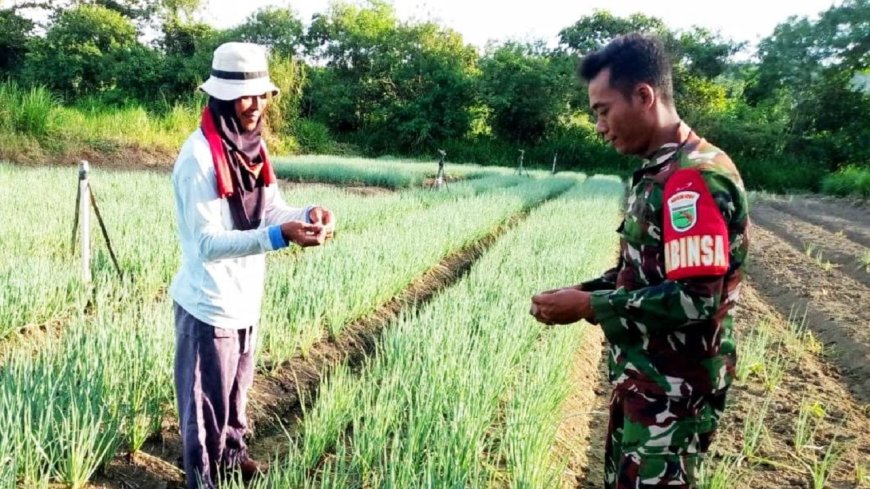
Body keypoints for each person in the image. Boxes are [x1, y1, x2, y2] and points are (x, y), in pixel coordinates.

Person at [530, 33, 749, 488]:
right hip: (647, 380)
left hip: (674, 393)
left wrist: (591, 307)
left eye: (603, 111)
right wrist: (587, 291)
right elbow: (649, 271)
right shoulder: (661, 173)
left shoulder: (694, 180)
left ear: (644, 96)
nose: (599, 126)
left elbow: (695, 298)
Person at [169, 42, 335, 489]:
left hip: (245, 301)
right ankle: (204, 480)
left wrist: (307, 215)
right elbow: (206, 243)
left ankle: (233, 458)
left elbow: (272, 209)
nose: (256, 105)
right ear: (221, 97)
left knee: (236, 400)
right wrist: (279, 237)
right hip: (209, 307)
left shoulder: (251, 149)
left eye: (262, 96)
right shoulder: (199, 159)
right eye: (245, 96)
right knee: (206, 411)